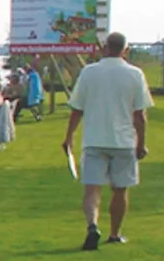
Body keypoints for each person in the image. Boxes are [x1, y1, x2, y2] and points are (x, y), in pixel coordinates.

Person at [62, 32, 153, 249]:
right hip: (123, 141)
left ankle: (92, 225)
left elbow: (77, 109)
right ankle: (114, 233)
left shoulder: (89, 72)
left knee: (92, 189)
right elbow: (139, 116)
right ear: (125, 49)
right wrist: (141, 143)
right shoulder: (135, 74)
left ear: (104, 47)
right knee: (120, 190)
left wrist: (69, 137)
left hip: (94, 139)